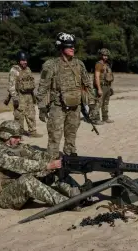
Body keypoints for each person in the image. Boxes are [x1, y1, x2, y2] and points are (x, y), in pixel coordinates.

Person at [0, 120, 80, 209]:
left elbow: (37, 154)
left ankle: (75, 191)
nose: (19, 140)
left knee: (51, 171)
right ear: (5, 135)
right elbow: (20, 164)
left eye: (19, 137)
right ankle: (66, 203)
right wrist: (46, 165)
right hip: (2, 196)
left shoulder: (18, 147)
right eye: (15, 137)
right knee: (28, 179)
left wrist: (57, 161)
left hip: (18, 190)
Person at [35, 32, 94, 160]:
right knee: (54, 137)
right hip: (57, 107)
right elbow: (42, 88)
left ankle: (70, 158)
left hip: (75, 107)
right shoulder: (51, 65)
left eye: (73, 46)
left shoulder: (79, 64)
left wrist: (92, 104)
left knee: (71, 135)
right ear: (61, 48)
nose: (73, 48)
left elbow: (88, 85)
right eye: (69, 46)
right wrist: (41, 107)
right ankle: (52, 162)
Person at [7, 51, 43, 138]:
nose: (25, 62)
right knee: (19, 115)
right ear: (19, 61)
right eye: (23, 60)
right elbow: (11, 85)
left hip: (29, 95)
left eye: (26, 60)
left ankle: (32, 131)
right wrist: (14, 97)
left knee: (31, 114)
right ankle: (18, 133)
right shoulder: (14, 70)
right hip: (19, 95)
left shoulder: (28, 69)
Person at [89, 48, 114, 124]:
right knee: (98, 103)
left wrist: (110, 88)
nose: (105, 57)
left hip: (107, 86)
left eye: (107, 55)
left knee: (105, 103)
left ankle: (105, 118)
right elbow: (96, 77)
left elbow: (109, 77)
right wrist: (99, 89)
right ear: (101, 55)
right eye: (104, 55)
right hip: (101, 86)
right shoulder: (99, 64)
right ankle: (95, 119)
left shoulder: (107, 64)